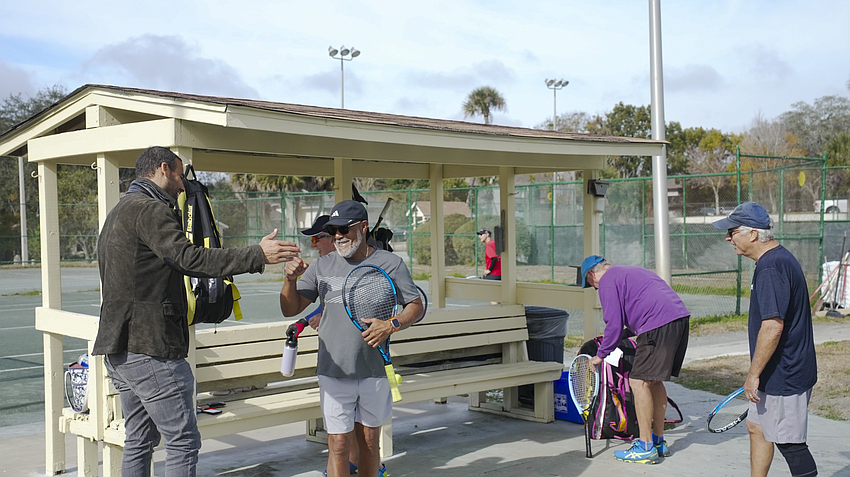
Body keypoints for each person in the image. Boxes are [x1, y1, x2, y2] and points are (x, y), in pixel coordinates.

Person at [92, 146, 301, 477]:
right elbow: (189, 258)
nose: (182, 187)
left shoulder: (120, 210)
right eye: (179, 176)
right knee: (182, 441)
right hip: (150, 348)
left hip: (118, 348)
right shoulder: (150, 209)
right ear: (163, 169)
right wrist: (257, 255)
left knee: (140, 439)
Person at [280, 200, 423, 477]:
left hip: (375, 371)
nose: (338, 236)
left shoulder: (391, 263)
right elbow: (290, 308)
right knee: (338, 443)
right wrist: (289, 280)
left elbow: (415, 306)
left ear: (364, 227)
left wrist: (391, 324)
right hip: (334, 371)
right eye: (333, 230)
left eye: (345, 229)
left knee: (369, 443)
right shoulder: (322, 265)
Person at [712, 202, 818, 477]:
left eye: (732, 231)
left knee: (790, 444)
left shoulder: (772, 268)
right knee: (757, 428)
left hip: (785, 374)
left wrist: (753, 375)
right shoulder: (773, 261)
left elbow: (772, 327)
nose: (727, 238)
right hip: (776, 373)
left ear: (753, 234)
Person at [581, 254, 690, 464]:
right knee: (653, 381)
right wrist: (617, 337)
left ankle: (645, 446)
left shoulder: (606, 281)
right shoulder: (628, 272)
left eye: (590, 284)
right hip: (678, 319)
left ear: (591, 274)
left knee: (637, 382)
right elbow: (629, 322)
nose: (595, 289)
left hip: (657, 324)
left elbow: (613, 323)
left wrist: (600, 355)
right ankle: (658, 441)